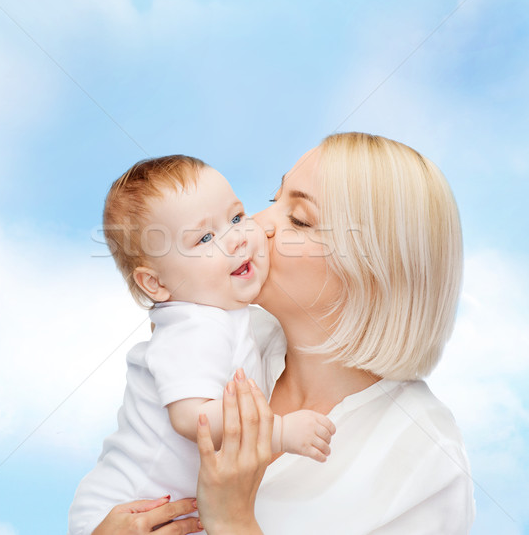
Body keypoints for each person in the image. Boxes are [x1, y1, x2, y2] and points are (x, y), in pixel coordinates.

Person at [89, 132, 476, 535]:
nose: (257, 225)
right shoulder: (229, 339)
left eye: (300, 219)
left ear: (376, 272)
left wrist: (232, 520)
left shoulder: (427, 458)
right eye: (275, 200)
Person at [68, 155, 335, 535]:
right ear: (157, 285)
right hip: (126, 509)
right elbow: (193, 418)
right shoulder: (195, 326)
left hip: (169, 511)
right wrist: (280, 432)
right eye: (206, 238)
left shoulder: (231, 316)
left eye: (238, 217)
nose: (237, 237)